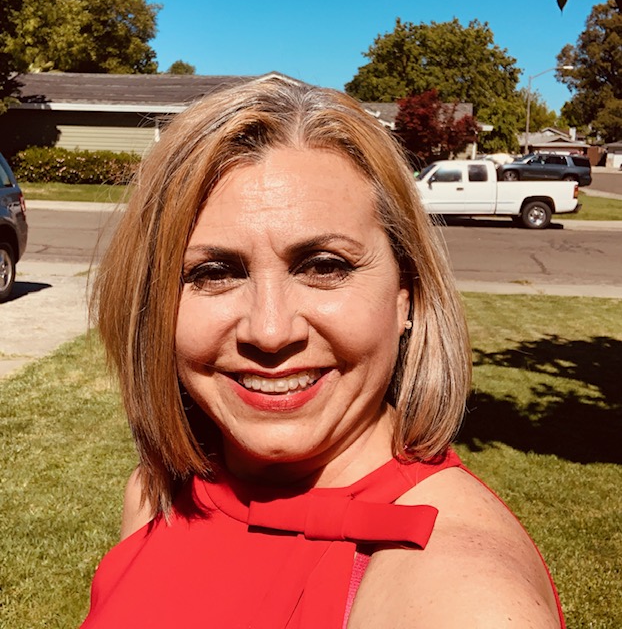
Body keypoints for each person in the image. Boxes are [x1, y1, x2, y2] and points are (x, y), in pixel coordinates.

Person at [81, 77, 565, 628]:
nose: (269, 331)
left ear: (407, 294)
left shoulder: (459, 594)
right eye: (214, 272)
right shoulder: (155, 495)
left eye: (324, 266)